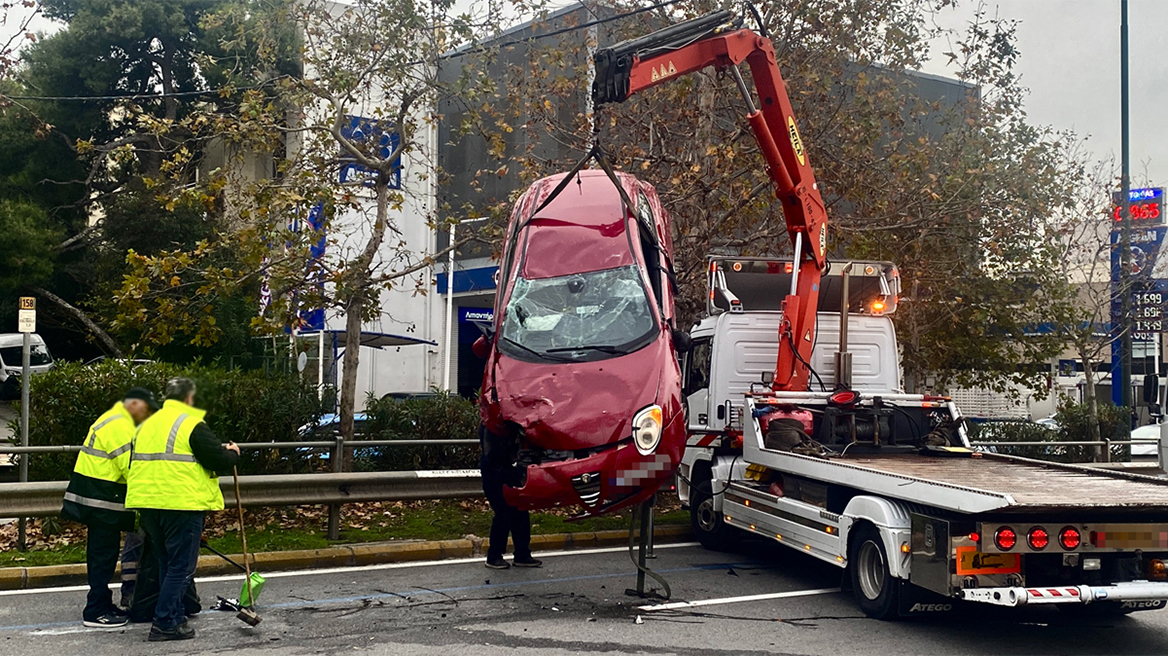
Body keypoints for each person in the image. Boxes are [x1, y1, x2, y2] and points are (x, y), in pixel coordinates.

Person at [125, 378, 239, 642]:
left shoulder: (147, 424)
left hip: (148, 502)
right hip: (180, 503)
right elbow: (216, 458)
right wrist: (233, 453)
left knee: (166, 560)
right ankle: (164, 621)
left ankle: (174, 616)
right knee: (181, 567)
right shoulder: (190, 423)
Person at [61, 387, 160, 629]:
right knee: (102, 558)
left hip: (99, 498)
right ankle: (96, 611)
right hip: (100, 500)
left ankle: (102, 604)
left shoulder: (114, 418)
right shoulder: (121, 425)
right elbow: (131, 466)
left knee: (101, 555)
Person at [479, 426, 542, 569]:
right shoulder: (491, 425)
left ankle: (522, 554)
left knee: (520, 511)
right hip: (496, 473)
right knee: (504, 512)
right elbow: (492, 454)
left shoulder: (507, 424)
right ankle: (494, 555)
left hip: (508, 471)